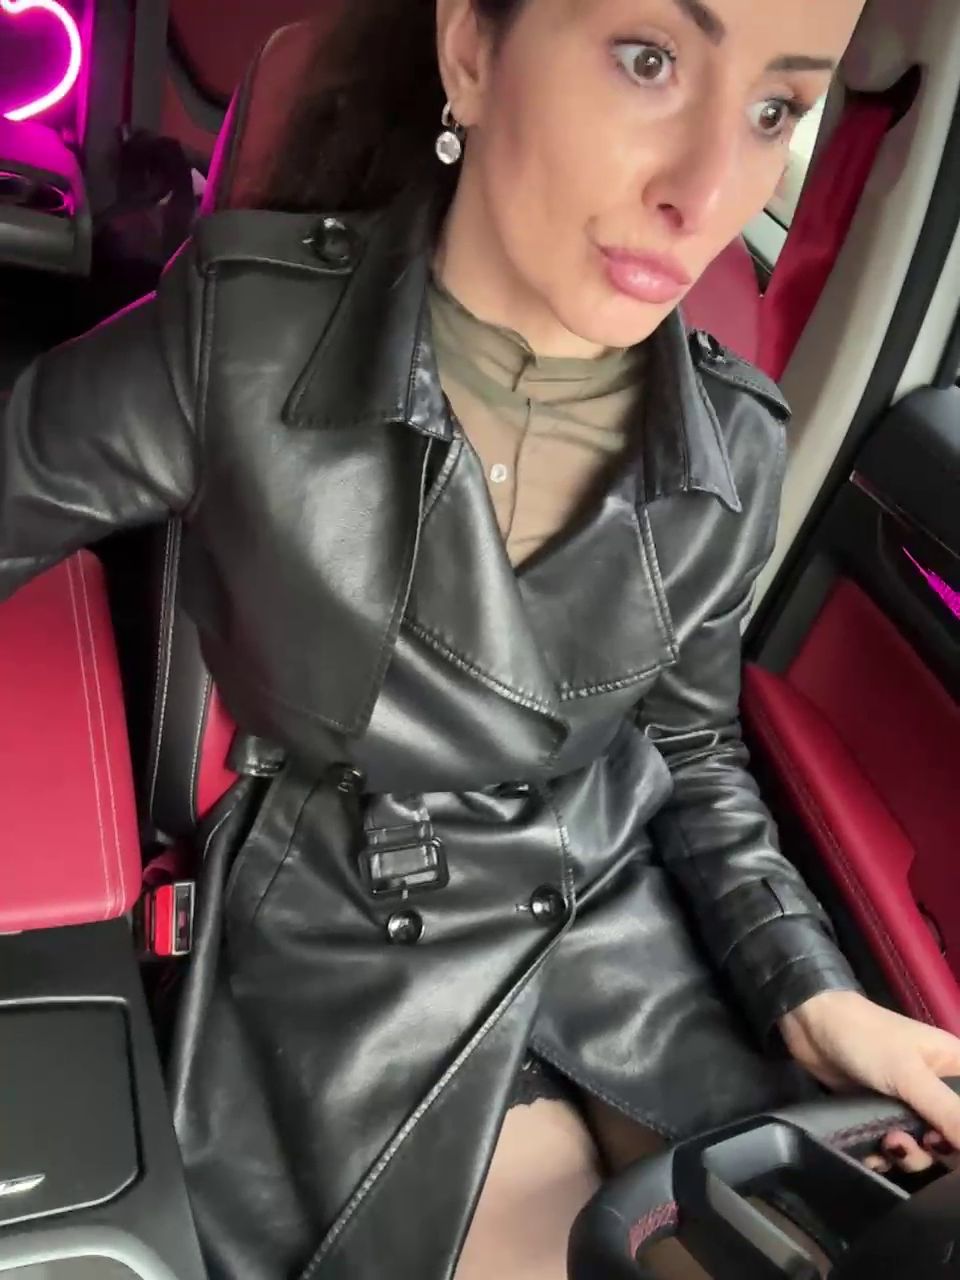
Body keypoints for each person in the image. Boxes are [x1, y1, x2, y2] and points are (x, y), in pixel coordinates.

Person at [1, 0, 958, 1276]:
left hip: (625, 929)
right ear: (470, 51)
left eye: (775, 109)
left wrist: (810, 985)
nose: (708, 191)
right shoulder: (248, 340)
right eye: (650, 60)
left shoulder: (737, 442)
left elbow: (692, 750)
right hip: (356, 944)